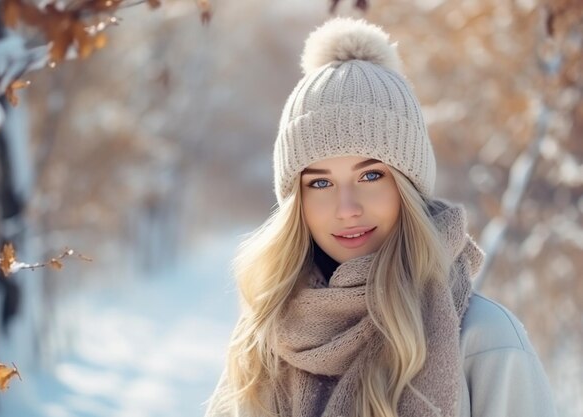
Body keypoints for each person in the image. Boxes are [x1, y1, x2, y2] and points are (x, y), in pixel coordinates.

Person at [204, 17, 557, 417]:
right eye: (320, 184)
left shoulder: (484, 340)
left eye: (371, 175)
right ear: (294, 204)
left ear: (407, 187)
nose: (347, 207)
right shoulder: (261, 344)